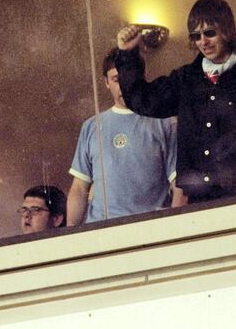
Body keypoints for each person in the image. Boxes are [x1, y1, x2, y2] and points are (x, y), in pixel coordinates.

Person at [115, 0, 236, 202]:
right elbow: (144, 101)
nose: (203, 42)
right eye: (196, 36)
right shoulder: (185, 79)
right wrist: (127, 55)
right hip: (200, 198)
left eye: (210, 33)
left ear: (228, 30)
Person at [67, 48, 182, 226]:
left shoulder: (164, 122)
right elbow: (79, 188)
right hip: (101, 228)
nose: (123, 86)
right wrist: (70, 235)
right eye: (116, 80)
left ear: (141, 77)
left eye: (127, 79)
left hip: (149, 226)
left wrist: (173, 229)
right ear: (106, 82)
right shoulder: (91, 126)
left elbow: (179, 183)